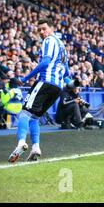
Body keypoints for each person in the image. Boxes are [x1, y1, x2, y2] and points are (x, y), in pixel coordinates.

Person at [8, 18, 73, 163]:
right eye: (40, 30)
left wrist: (25, 78)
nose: (42, 32)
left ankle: (21, 143)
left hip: (45, 82)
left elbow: (45, 62)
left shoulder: (49, 41)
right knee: (35, 117)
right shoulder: (62, 47)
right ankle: (36, 147)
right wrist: (74, 85)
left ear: (51, 28)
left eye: (44, 29)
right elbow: (67, 74)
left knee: (24, 113)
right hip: (57, 88)